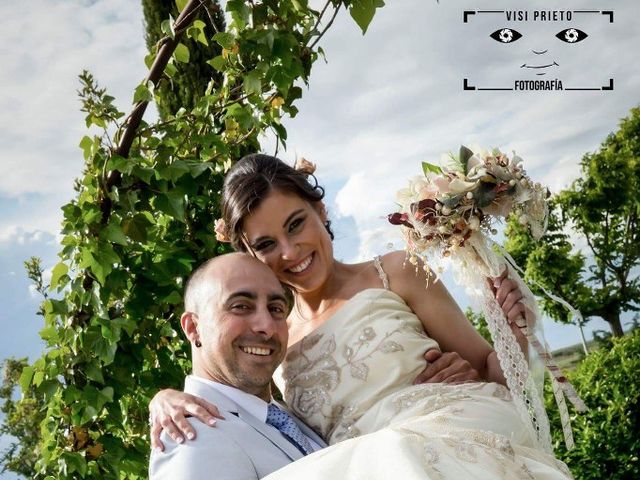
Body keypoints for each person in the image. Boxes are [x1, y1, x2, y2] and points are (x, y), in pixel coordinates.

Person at [150, 154, 573, 479]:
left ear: (321, 210)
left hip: (455, 434)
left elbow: (492, 372)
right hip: (365, 467)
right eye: (266, 244)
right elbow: (247, 404)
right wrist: (164, 398)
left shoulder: (398, 272)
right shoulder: (275, 337)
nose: (290, 252)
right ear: (249, 254)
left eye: (296, 224)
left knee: (401, 453)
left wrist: (512, 331)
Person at [149, 252, 328, 480]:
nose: (267, 326)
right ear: (194, 328)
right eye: (241, 306)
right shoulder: (191, 437)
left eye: (276, 308)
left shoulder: (292, 414)